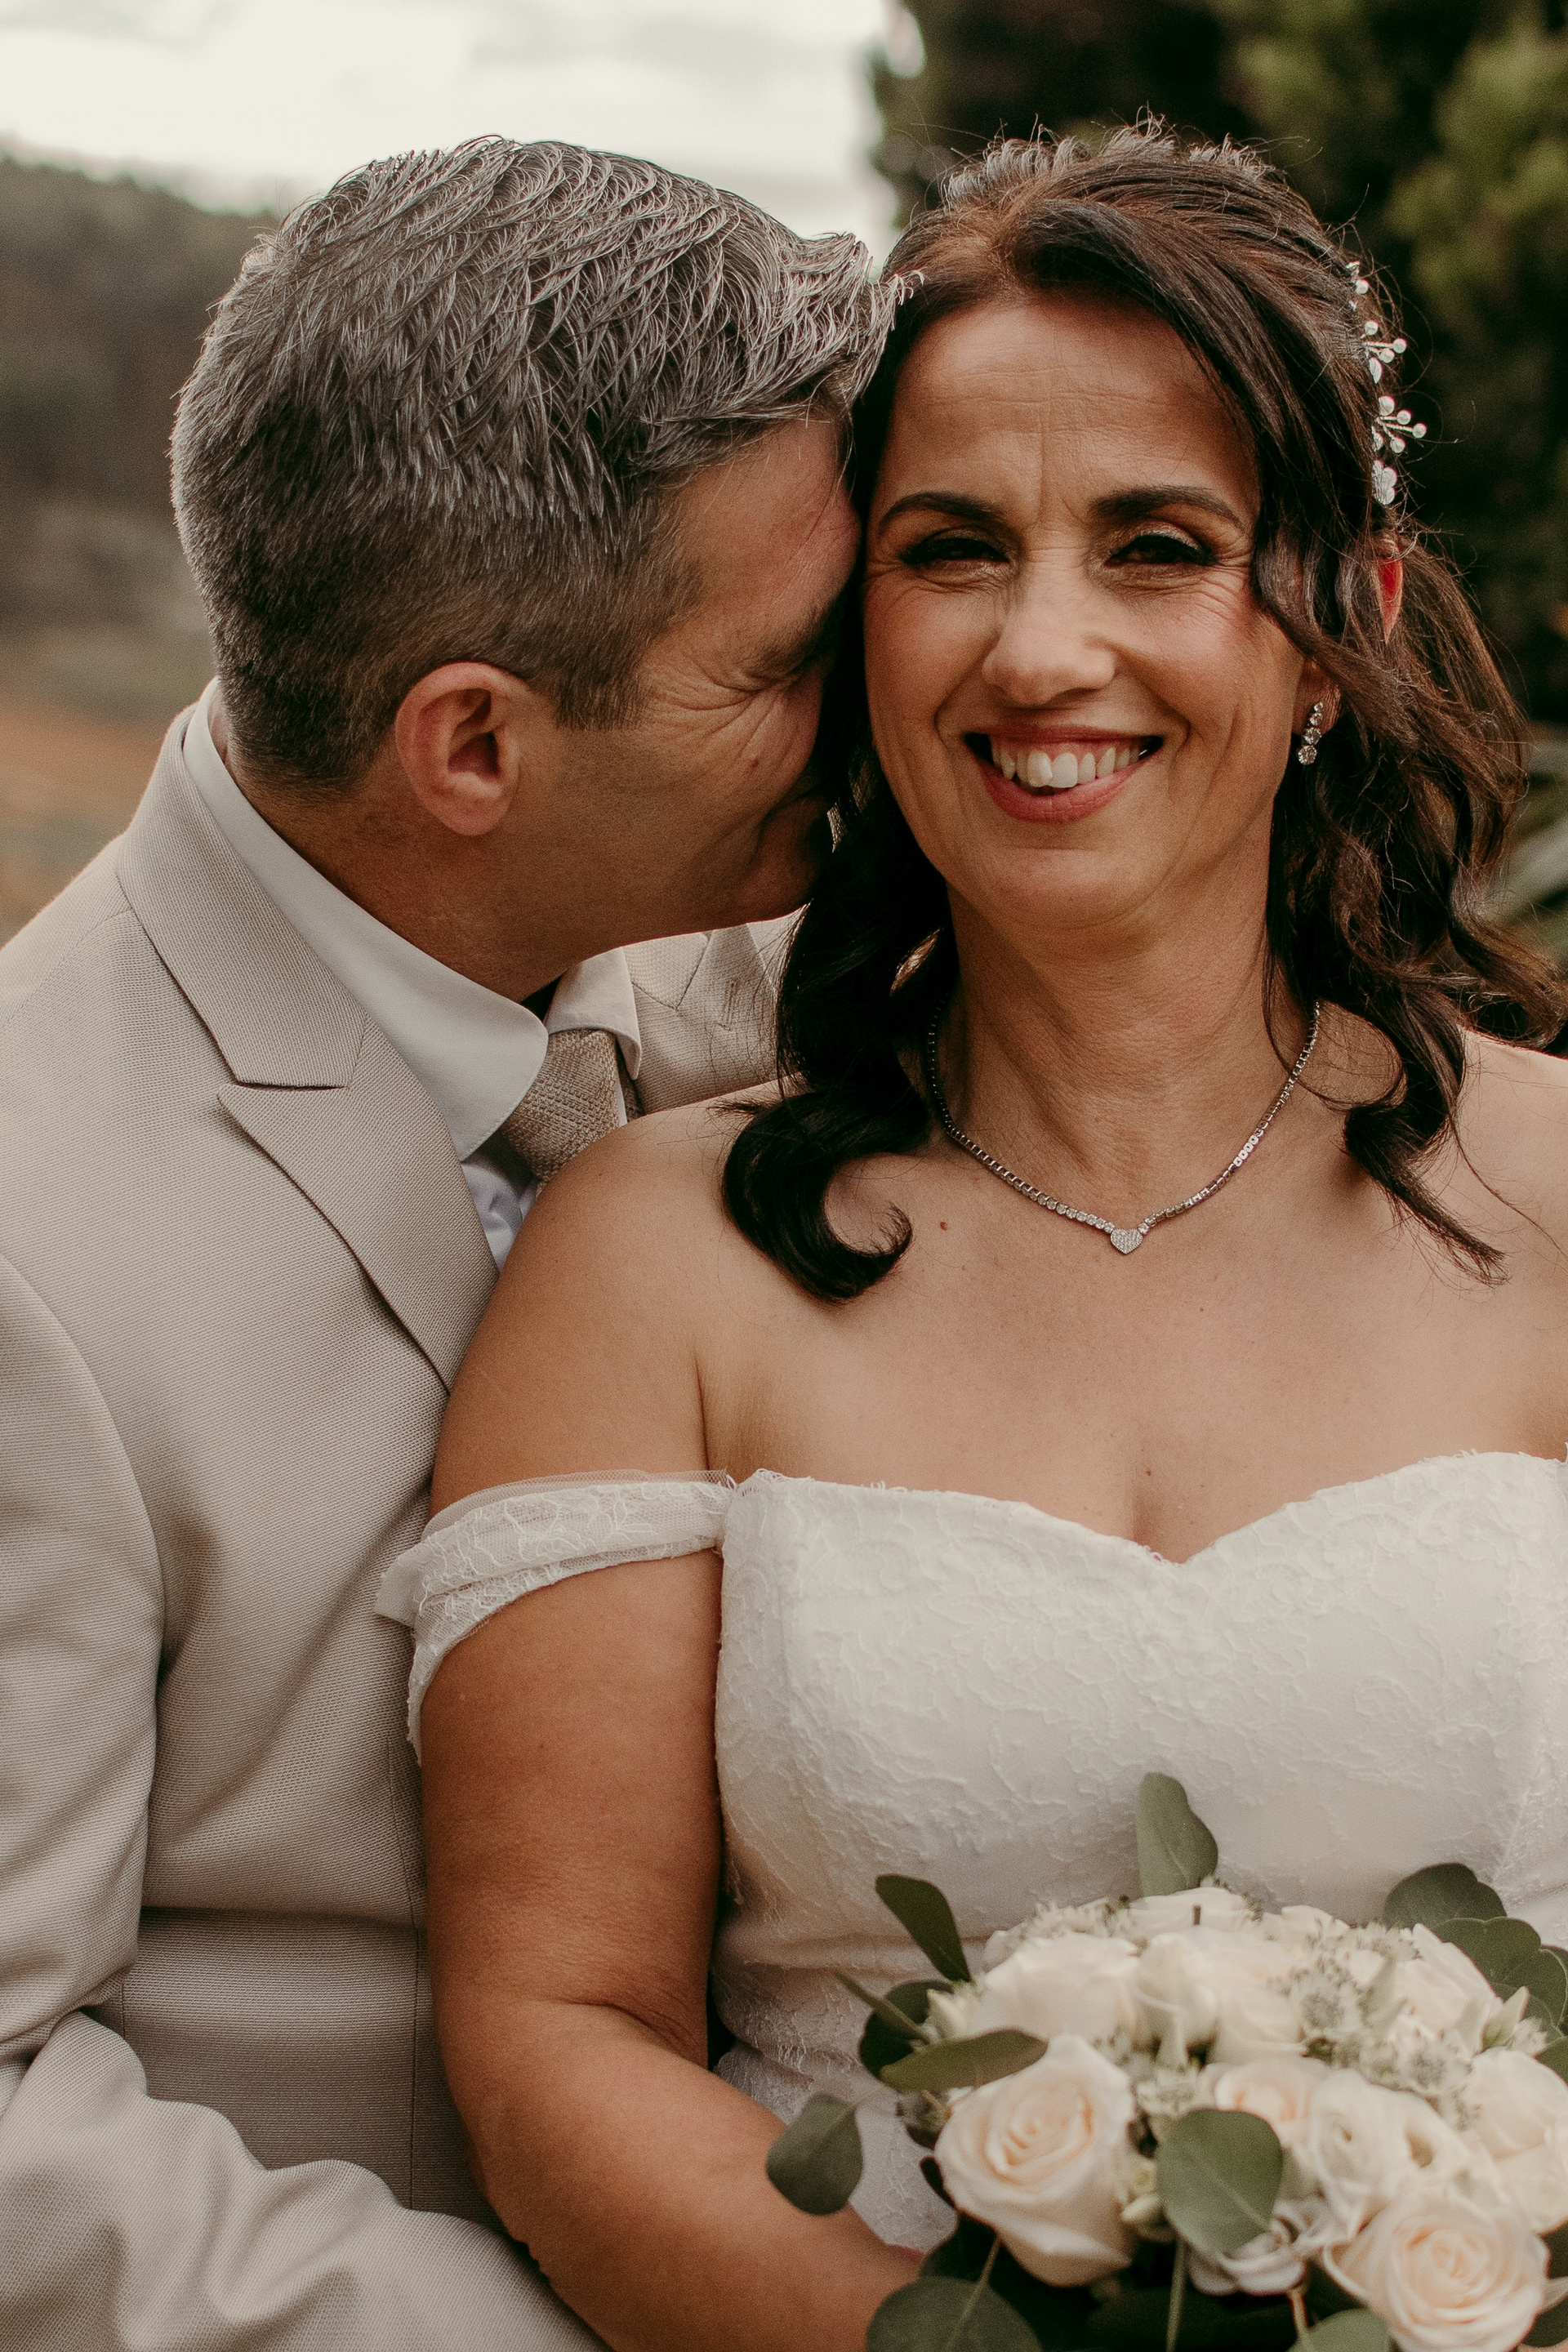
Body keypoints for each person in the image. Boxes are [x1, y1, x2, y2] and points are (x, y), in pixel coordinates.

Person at [388, 128, 1568, 2352]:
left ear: (1345, 631)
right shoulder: (653, 1261)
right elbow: (560, 2035)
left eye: (1158, 546)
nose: (1042, 648)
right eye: (952, 551)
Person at [0, 138, 890, 2351]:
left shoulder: (732, 960)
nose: (873, 704)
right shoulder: (29, 1242)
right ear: (472, 744)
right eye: (789, 660)